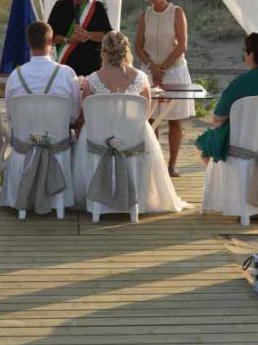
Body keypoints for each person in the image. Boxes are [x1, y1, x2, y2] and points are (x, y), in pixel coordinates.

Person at [74, 31, 186, 213]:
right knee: (143, 130)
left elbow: (86, 114)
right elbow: (145, 114)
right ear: (126, 51)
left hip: (99, 140)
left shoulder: (92, 80)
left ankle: (97, 202)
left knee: (88, 130)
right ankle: (137, 201)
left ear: (104, 52)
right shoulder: (141, 78)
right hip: (132, 139)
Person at [195, 33, 258, 165]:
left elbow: (218, 118)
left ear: (251, 55)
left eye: (246, 51)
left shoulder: (240, 84)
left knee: (203, 142)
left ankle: (221, 181)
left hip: (239, 147)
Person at [135, 0, 193, 177]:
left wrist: (164, 68)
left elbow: (182, 44)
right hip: (150, 71)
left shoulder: (176, 12)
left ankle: (172, 164)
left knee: (174, 119)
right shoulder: (145, 15)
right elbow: (138, 46)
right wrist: (152, 67)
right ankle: (155, 163)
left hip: (174, 71)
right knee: (151, 119)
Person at [5, 21, 82, 128]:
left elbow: (11, 115)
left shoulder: (15, 76)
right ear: (50, 42)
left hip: (24, 142)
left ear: (28, 43)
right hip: (58, 142)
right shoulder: (67, 74)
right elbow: (75, 115)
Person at [47, 0, 112, 77]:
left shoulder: (98, 7)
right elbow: (49, 36)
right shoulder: (60, 6)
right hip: (65, 68)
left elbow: (107, 36)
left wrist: (88, 35)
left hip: (92, 70)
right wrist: (68, 40)